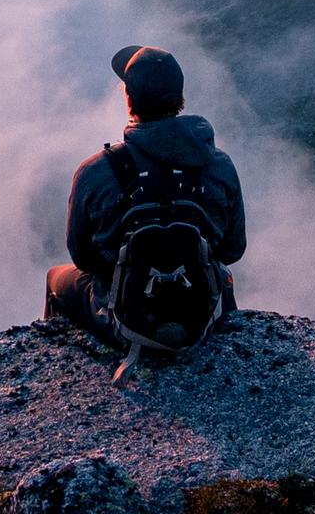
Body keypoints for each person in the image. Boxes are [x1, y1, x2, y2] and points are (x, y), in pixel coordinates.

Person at [45, 44, 247, 357]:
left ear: (129, 99)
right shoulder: (219, 164)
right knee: (222, 273)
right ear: (179, 99)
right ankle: (225, 345)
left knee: (55, 278)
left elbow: (84, 258)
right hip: (200, 313)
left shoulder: (96, 171)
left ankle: (58, 367)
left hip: (127, 317)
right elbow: (232, 249)